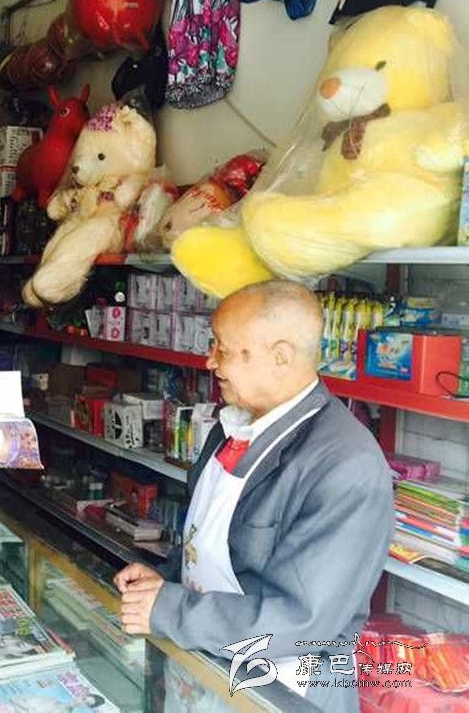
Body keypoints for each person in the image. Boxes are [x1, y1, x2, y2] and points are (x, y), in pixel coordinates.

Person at [114, 280, 393, 713]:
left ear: (280, 356)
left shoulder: (346, 464)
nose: (210, 361)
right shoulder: (233, 428)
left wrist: (171, 609)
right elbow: (214, 543)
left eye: (223, 348)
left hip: (282, 691)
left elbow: (302, 622)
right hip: (207, 667)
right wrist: (165, 582)